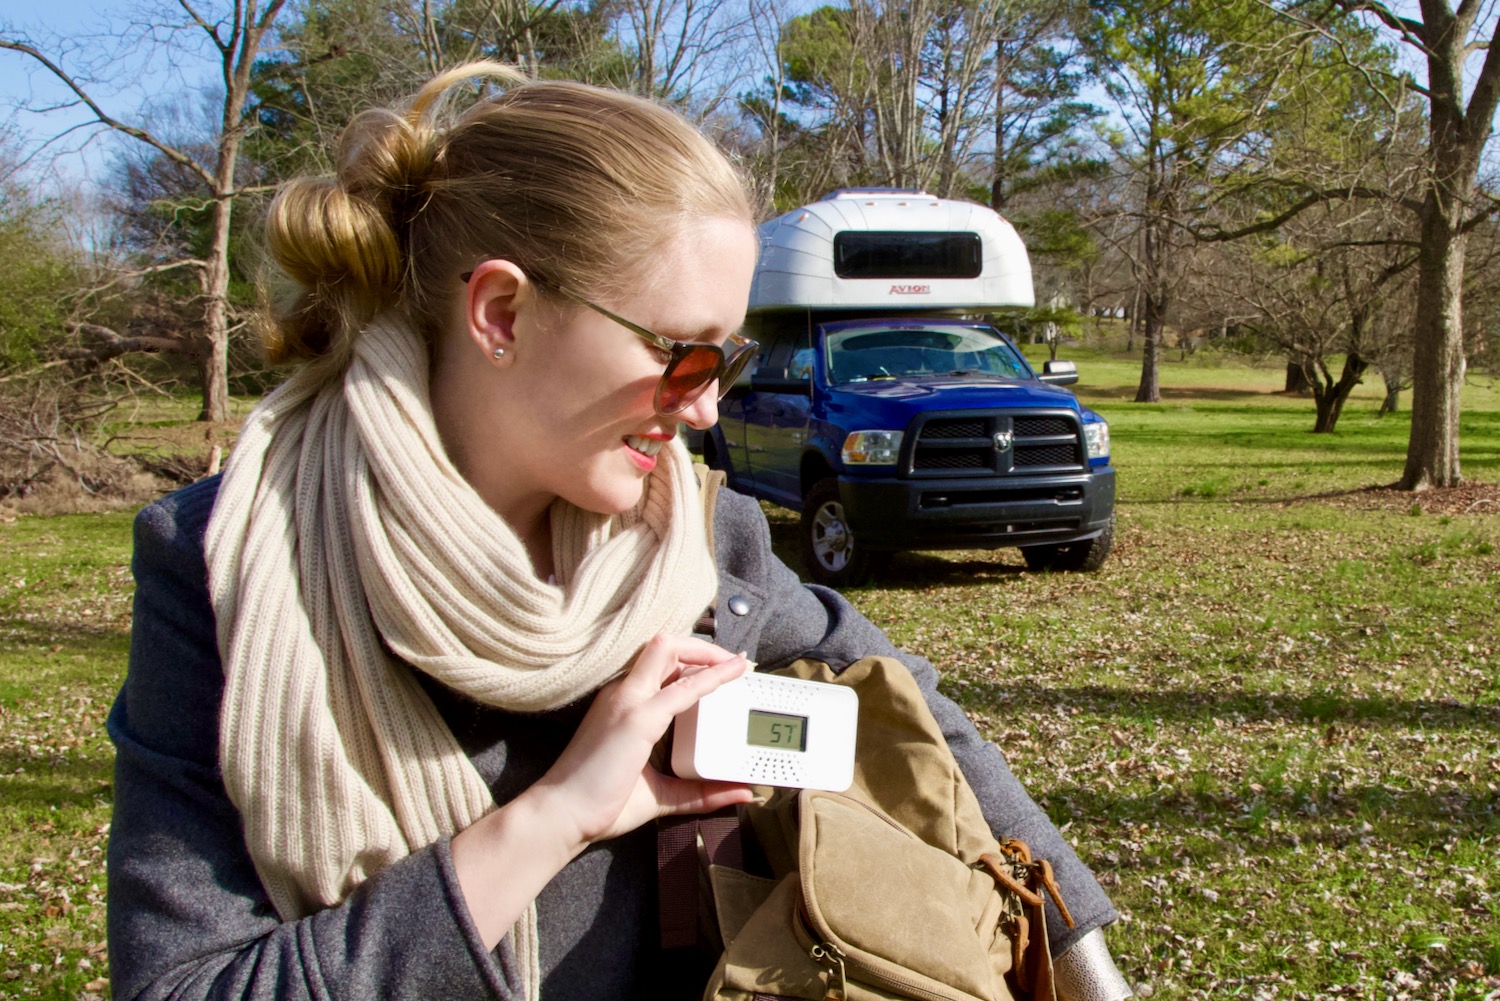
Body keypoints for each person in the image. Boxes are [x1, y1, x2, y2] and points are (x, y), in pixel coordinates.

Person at [106, 63, 1133, 1001]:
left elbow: (920, 723)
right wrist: (556, 814)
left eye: (721, 366)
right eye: (677, 356)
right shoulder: (226, 567)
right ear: (501, 313)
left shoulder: (700, 540)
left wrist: (1084, 962)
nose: (701, 411)